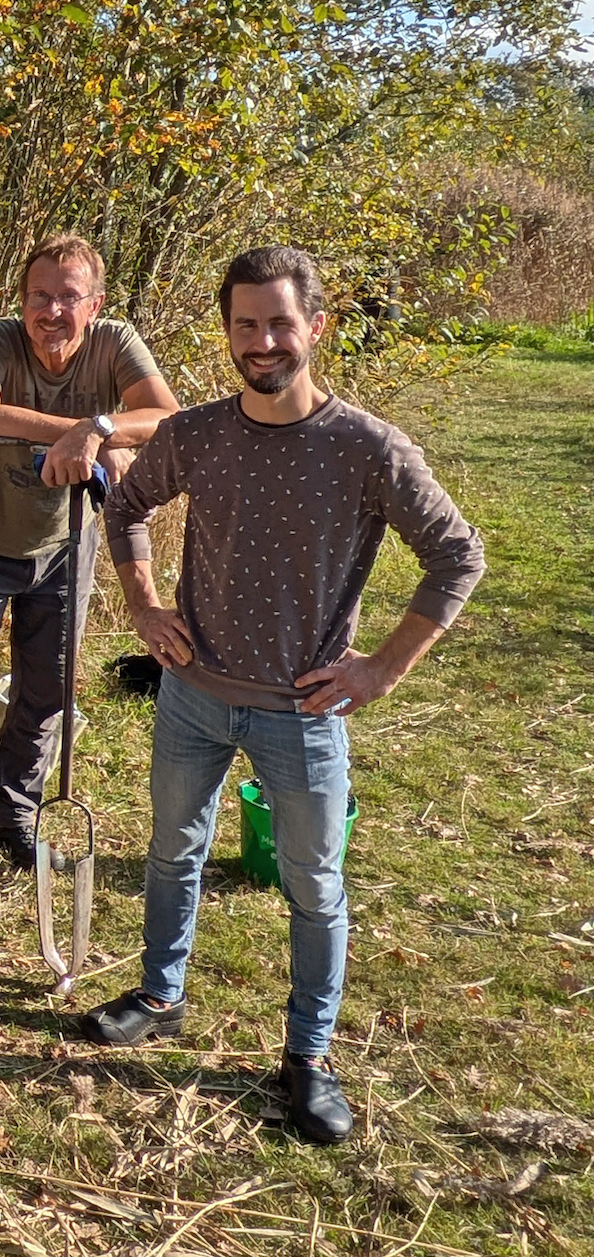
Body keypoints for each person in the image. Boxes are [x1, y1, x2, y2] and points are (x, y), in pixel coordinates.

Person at [84, 246, 485, 1144]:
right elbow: (125, 504)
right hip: (192, 695)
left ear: (317, 327)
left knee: (313, 887)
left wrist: (382, 667)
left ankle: (308, 1055)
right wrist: (145, 604)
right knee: (171, 852)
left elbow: (458, 556)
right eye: (245, 324)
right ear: (227, 330)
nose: (262, 341)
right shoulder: (196, 433)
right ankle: (160, 991)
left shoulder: (369, 449)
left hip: (302, 712)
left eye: (279, 322)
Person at [0, 234, 182, 868]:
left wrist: (101, 429)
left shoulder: (116, 342)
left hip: (67, 544)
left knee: (45, 691)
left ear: (94, 304)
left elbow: (167, 416)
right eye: (38, 296)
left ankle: (14, 818)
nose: (51, 312)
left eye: (68, 297)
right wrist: (83, 433)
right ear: (21, 300)